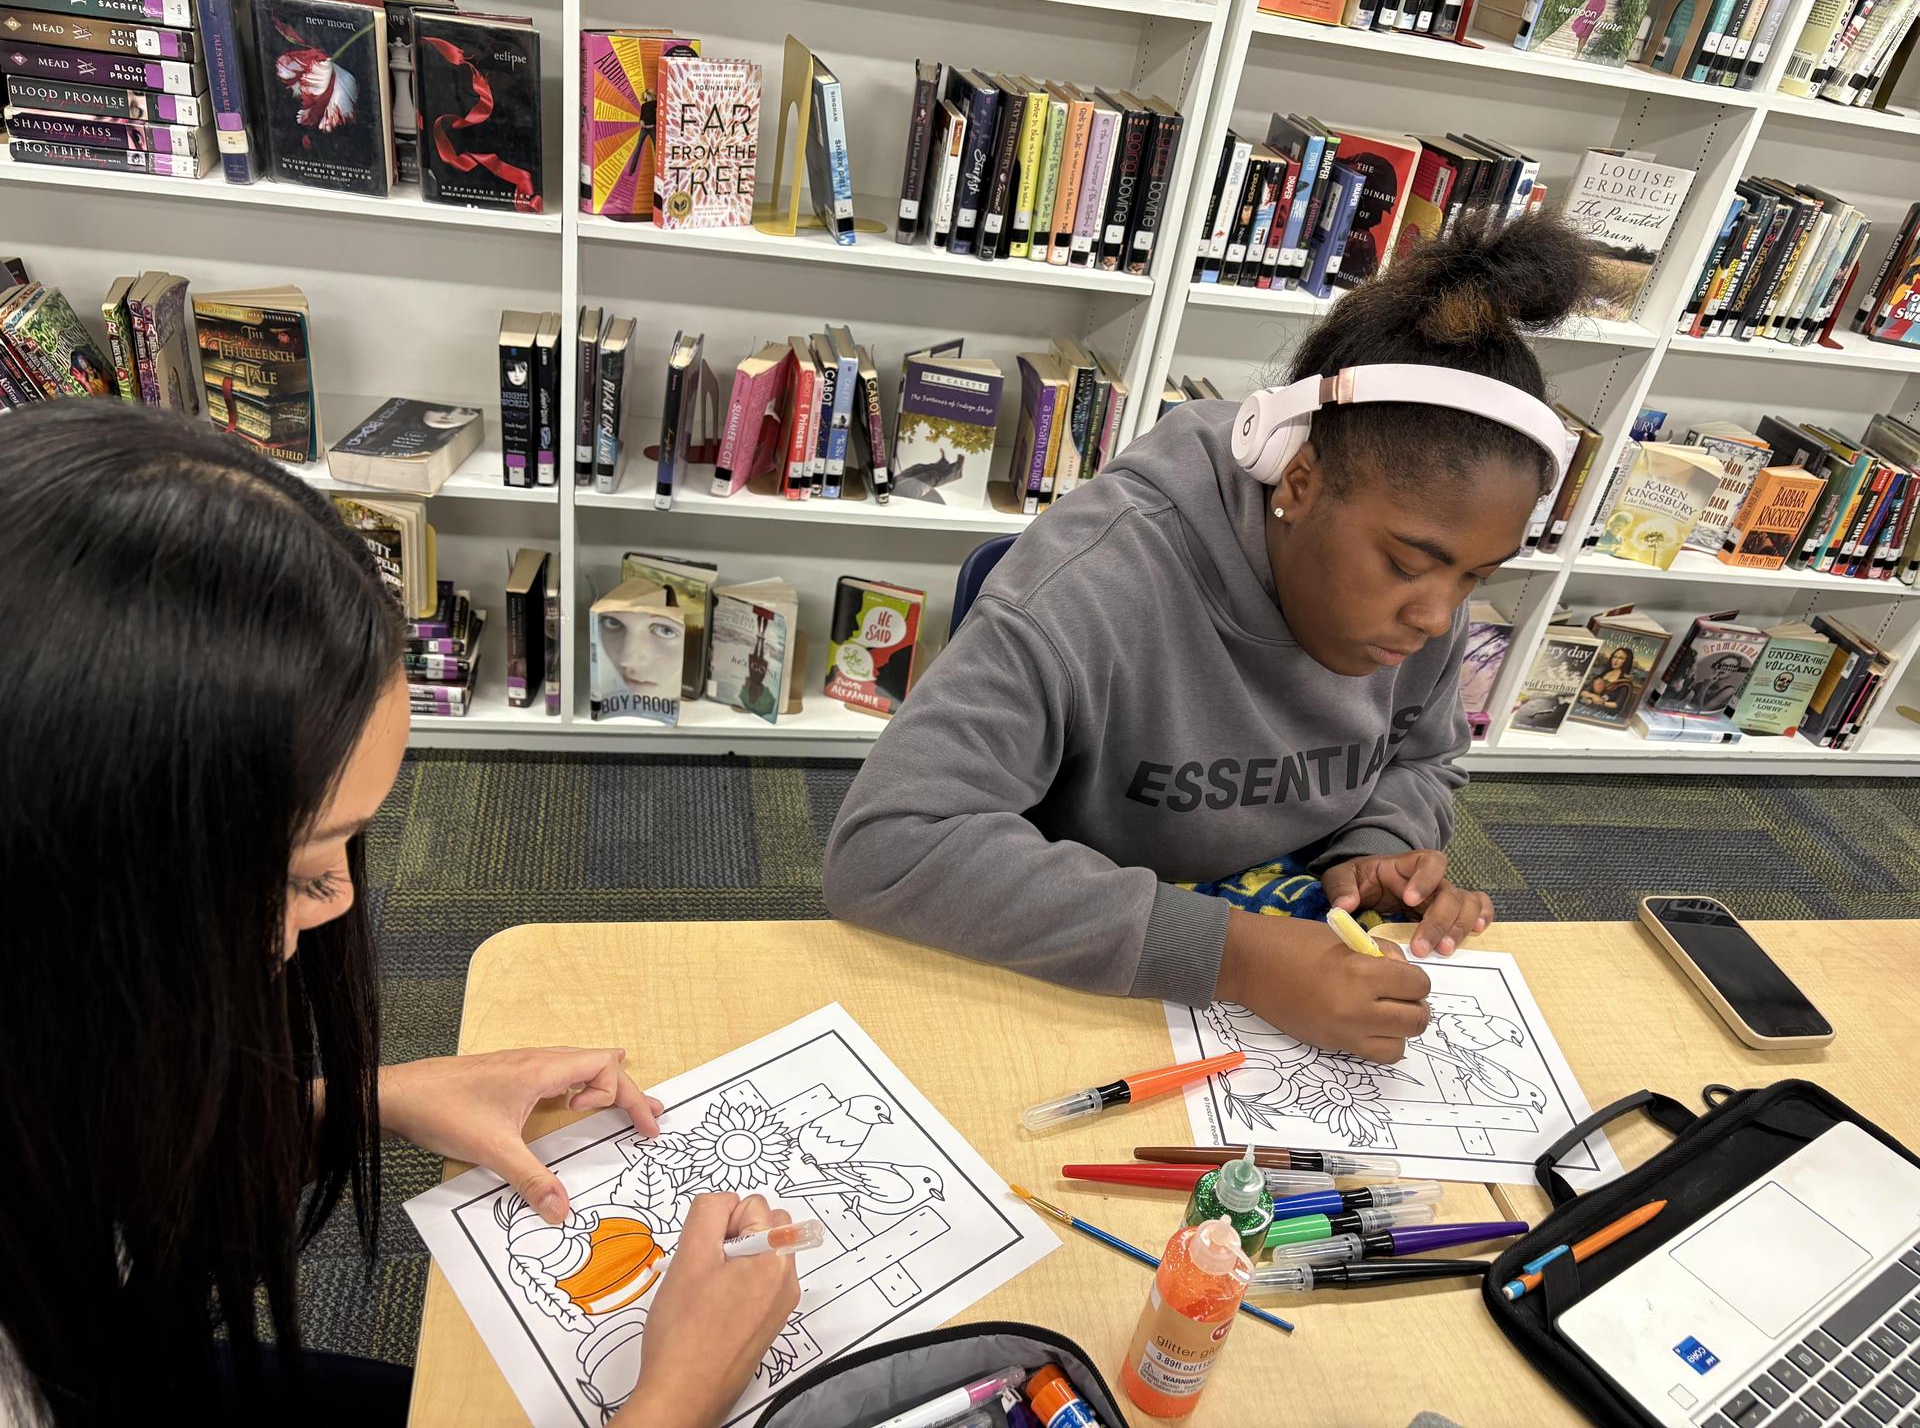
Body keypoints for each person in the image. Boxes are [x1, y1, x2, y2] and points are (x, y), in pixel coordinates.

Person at [0, 402, 797, 1428]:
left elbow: (78, 1144)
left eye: (348, 846)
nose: (336, 907)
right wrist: (678, 1397)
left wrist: (361, 1096)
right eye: (294, 873)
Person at [825, 213, 1594, 1064]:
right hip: (1092, 964)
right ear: (1298, 482)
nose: (1438, 618)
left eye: (1476, 577)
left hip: (1293, 943)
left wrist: (1376, 851)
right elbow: (887, 847)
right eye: (1411, 564)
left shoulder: (1423, 586)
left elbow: (1419, 756)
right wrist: (1240, 958)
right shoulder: (1092, 580)